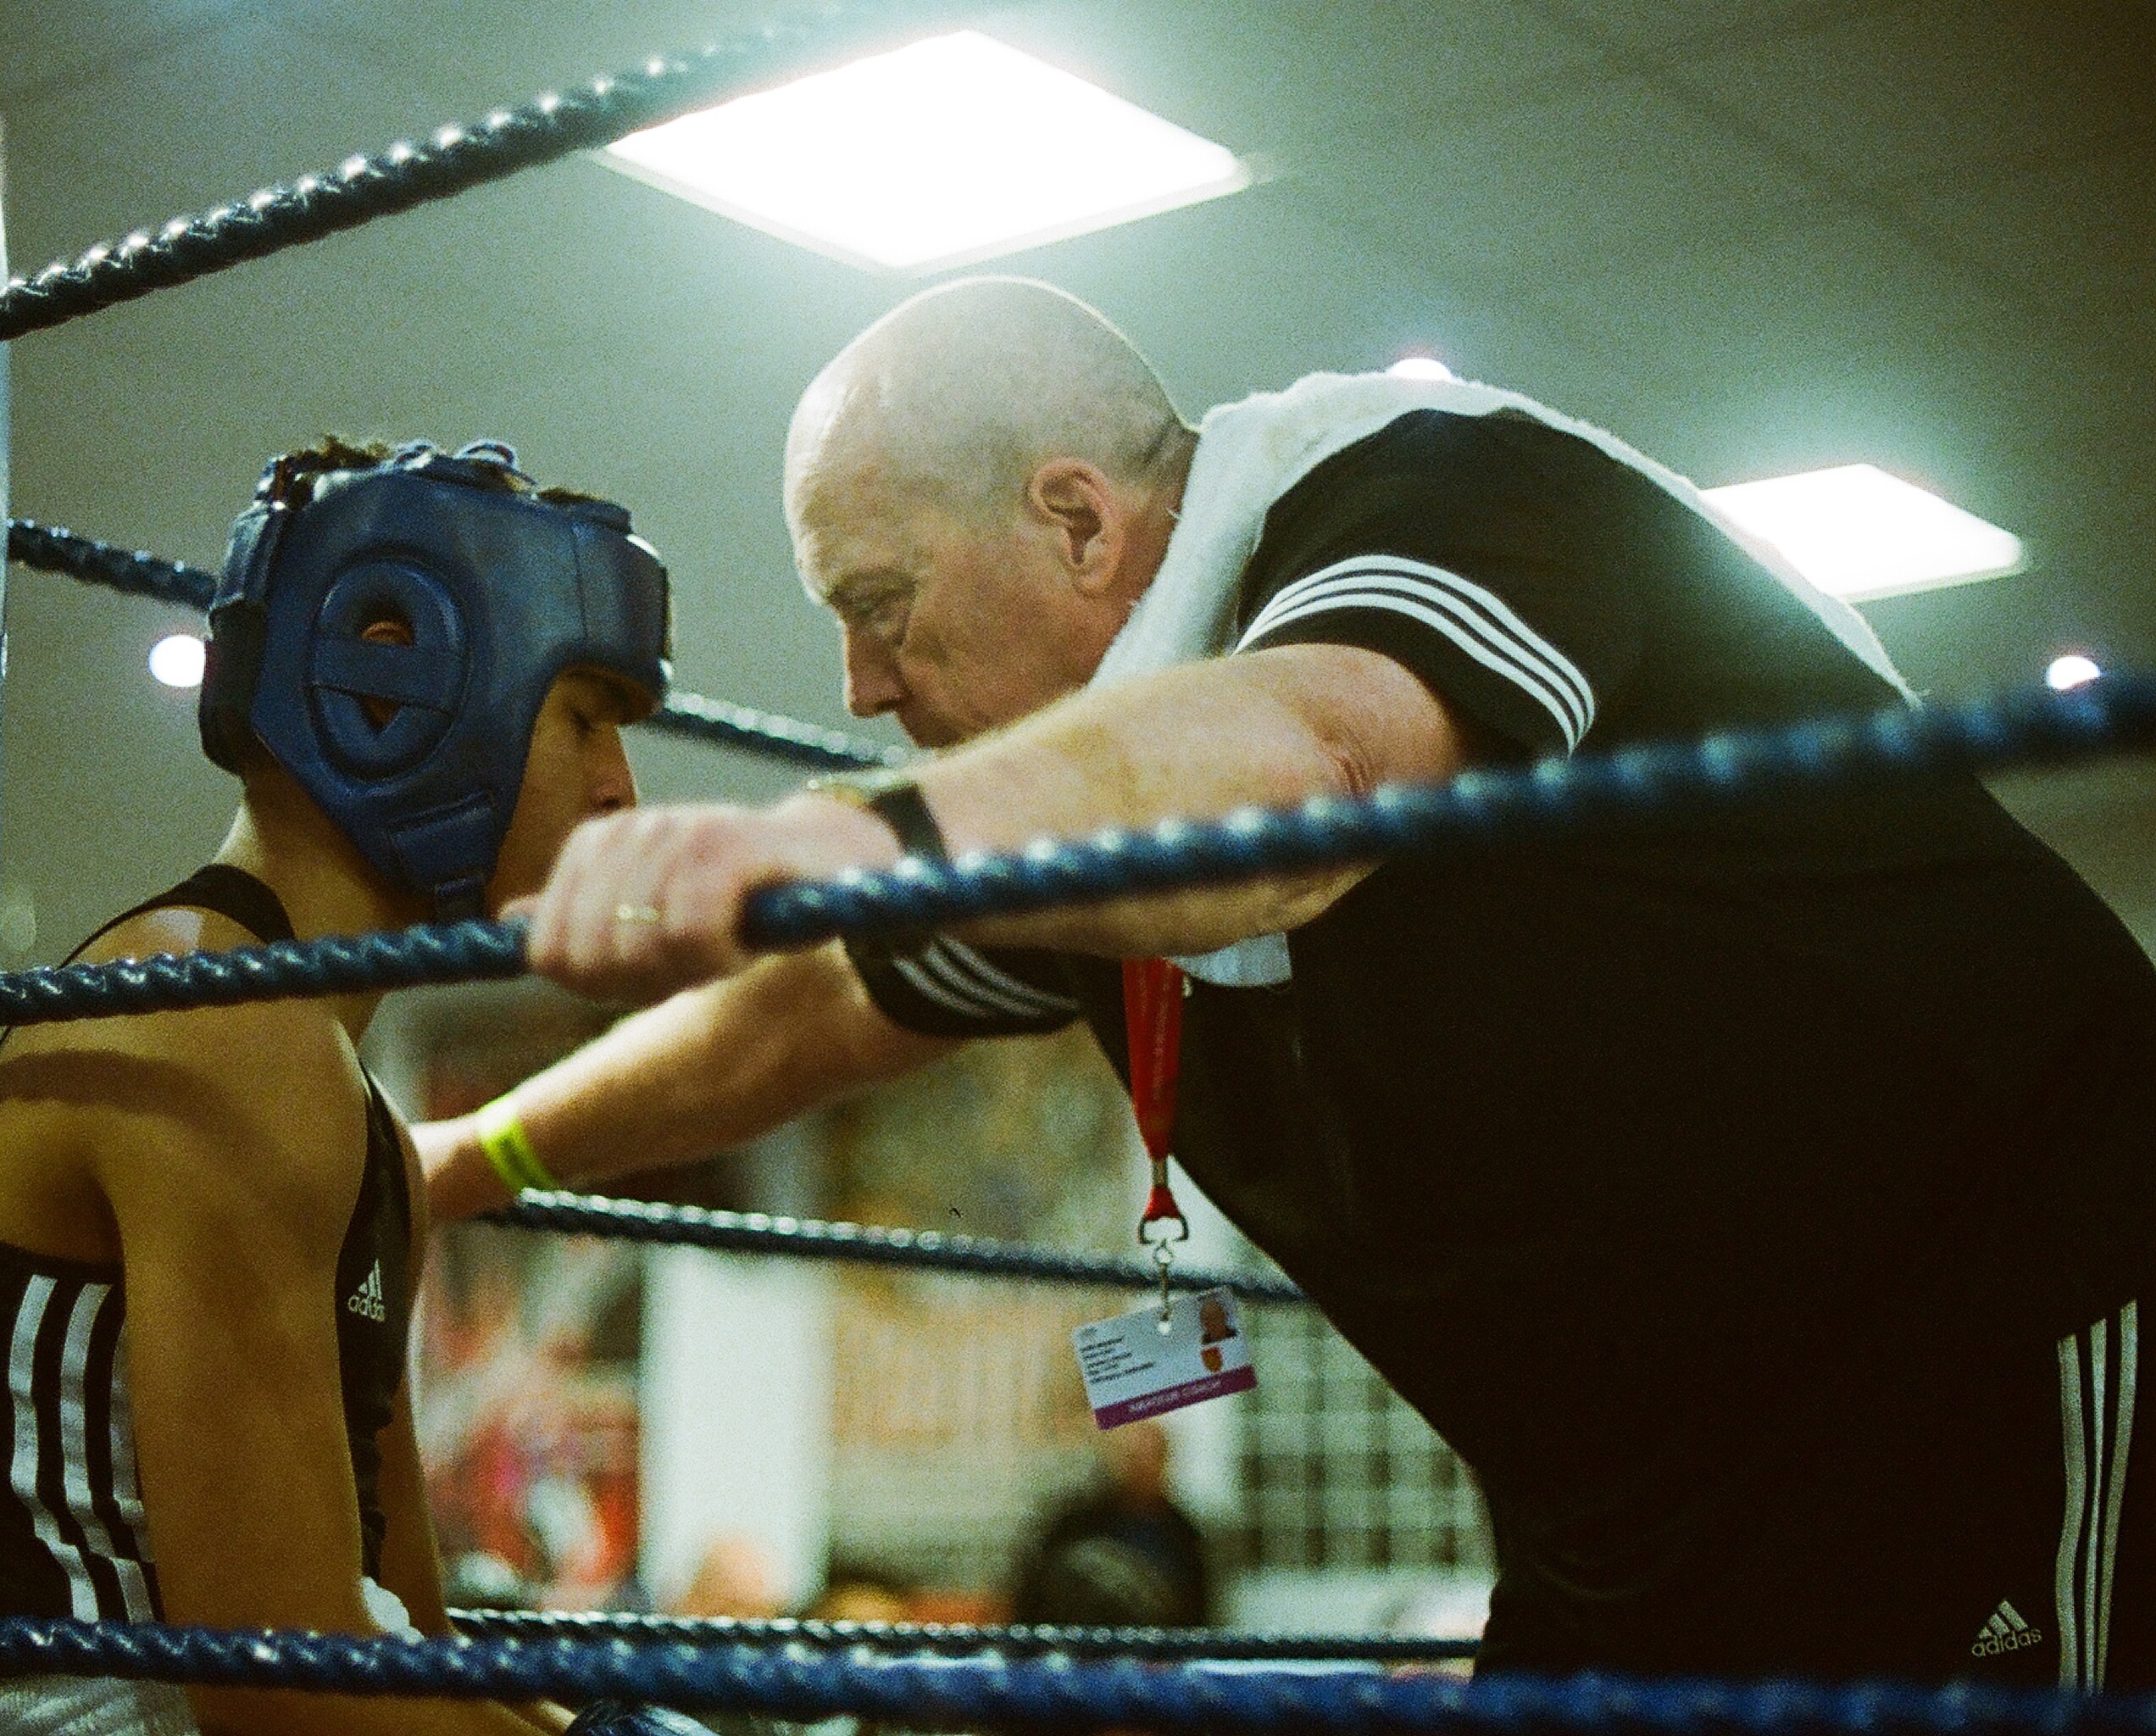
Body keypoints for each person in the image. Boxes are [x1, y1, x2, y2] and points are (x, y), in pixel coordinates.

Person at [419, 279, 2156, 1686]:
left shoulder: (1436, 490)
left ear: (1078, 520)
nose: (861, 686)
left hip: (1995, 1342)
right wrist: (467, 1157)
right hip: (1628, 1509)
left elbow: (1314, 769)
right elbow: (813, 1007)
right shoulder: (1071, 797)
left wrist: (882, 835)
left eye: (880, 602)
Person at [0, 438, 689, 1736]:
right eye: (585, 715)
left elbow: (399, 1637)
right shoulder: (214, 1027)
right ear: (406, 675)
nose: (621, 785)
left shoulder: (357, 1111)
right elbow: (283, 1701)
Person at [1013, 1422, 1209, 1629]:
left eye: (1151, 1456)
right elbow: (1035, 1593)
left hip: (1158, 1653)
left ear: (1165, 1461)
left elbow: (1196, 1611)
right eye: (1132, 1457)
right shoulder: (1075, 1523)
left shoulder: (1185, 1535)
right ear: (1115, 1460)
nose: (1142, 1466)